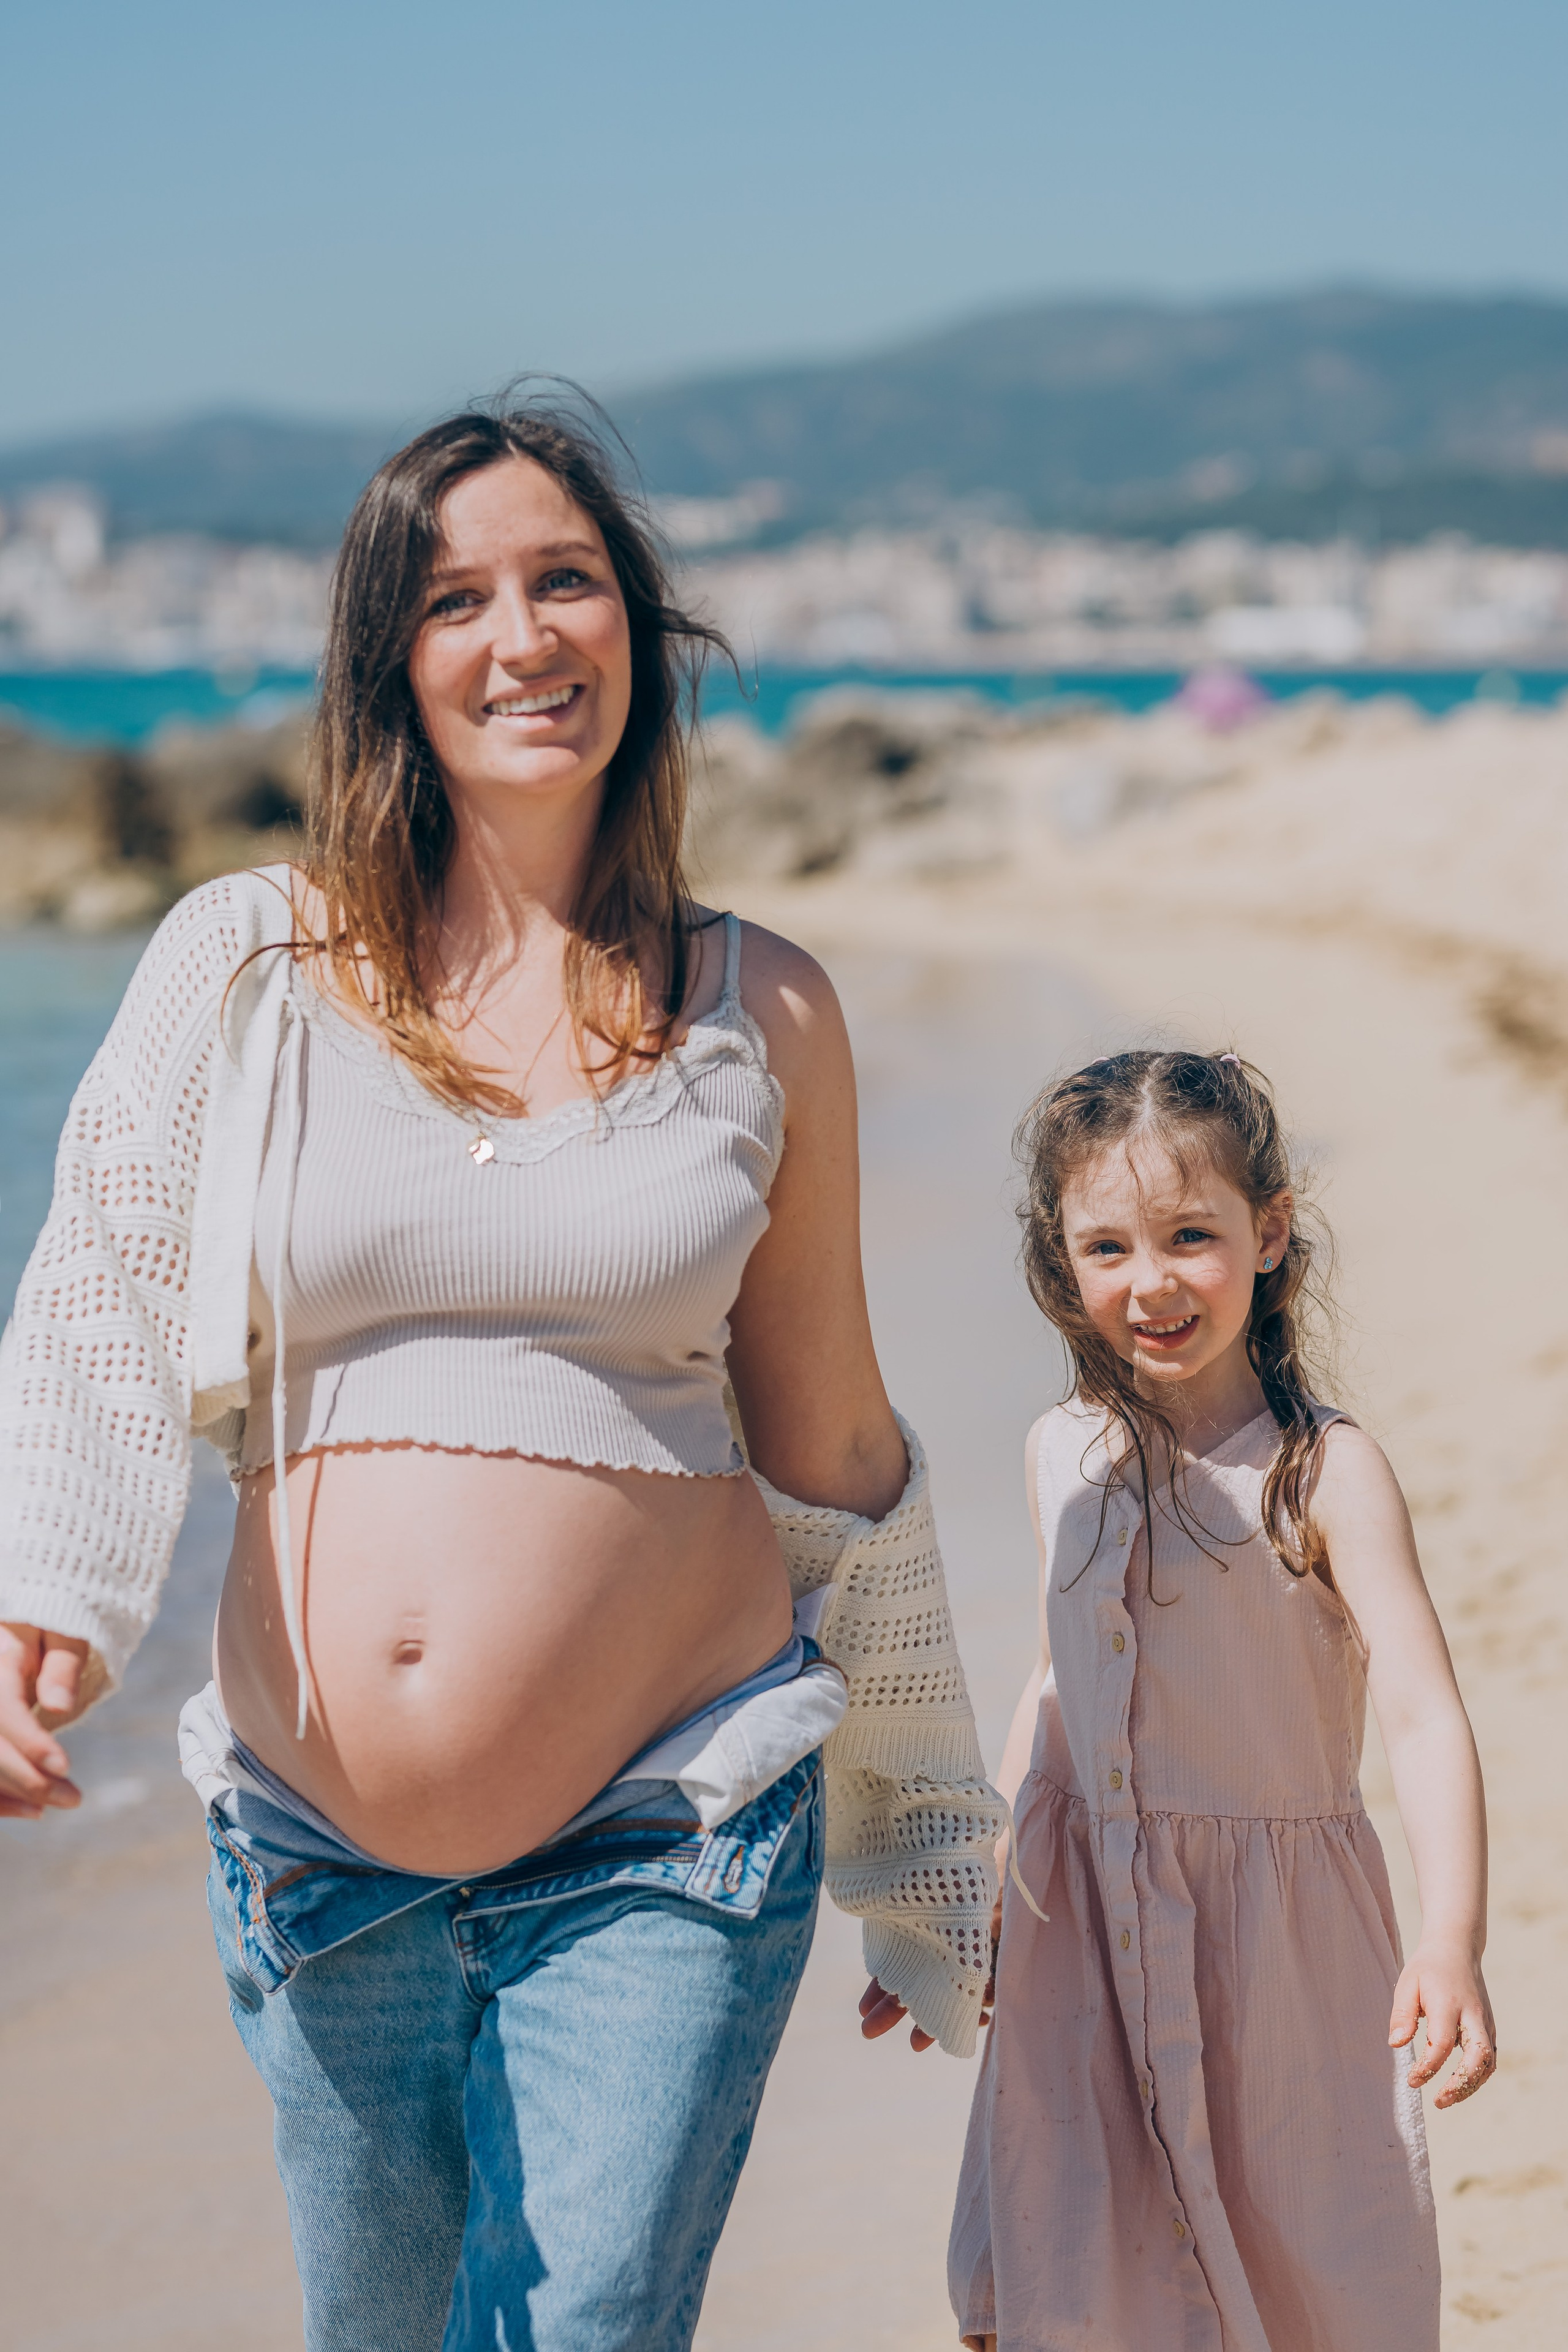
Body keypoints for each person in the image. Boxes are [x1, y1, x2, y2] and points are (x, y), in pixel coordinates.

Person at [0, 399, 1005, 2352]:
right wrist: (46, 1591)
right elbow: (98, 1288)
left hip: (675, 1826)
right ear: (392, 663)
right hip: (310, 1854)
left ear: (638, 626)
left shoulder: (761, 1006)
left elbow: (837, 1441)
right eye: (457, 598)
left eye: (567, 581)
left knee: (592, 2328)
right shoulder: (245, 963)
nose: (522, 636)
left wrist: (927, 1834)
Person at [948, 1049, 1495, 2352]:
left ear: (1268, 1228)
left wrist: (1449, 1940)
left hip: (1276, 1953)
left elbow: (1422, 1714)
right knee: (1065, 2263)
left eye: (1188, 1236)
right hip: (1079, 1927)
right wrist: (984, 1885)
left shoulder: (1320, 1475)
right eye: (1106, 1248)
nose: (1149, 1283)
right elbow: (1052, 1678)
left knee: (1307, 2259)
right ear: (1060, 1261)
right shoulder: (1057, 1455)